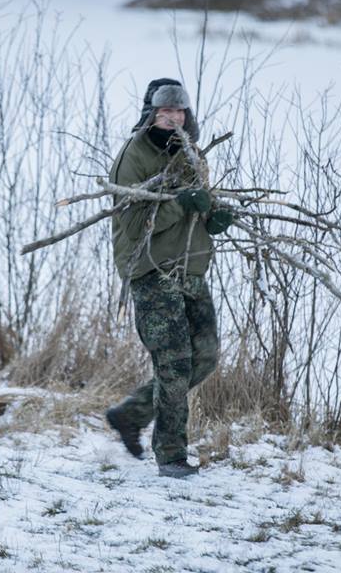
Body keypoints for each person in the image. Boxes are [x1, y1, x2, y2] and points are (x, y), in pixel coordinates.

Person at [104, 78, 233, 478]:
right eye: (165, 111)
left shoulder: (193, 153)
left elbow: (201, 200)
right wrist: (179, 206)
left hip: (190, 266)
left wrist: (213, 216)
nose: (173, 118)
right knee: (174, 362)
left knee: (205, 357)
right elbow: (132, 222)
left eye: (179, 111)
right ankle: (172, 455)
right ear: (150, 113)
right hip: (150, 269)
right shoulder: (134, 155)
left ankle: (131, 414)